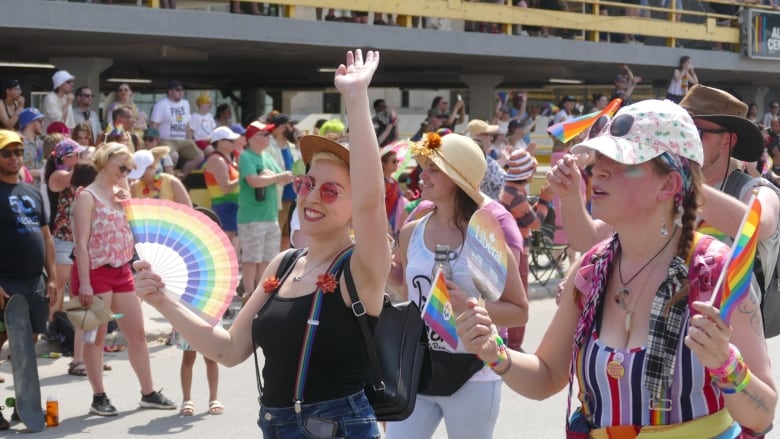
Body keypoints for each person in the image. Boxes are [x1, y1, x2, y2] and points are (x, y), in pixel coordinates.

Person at [458, 100, 777, 437]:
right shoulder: (592, 269)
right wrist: (495, 353)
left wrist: (725, 364)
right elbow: (547, 375)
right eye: (599, 160)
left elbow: (763, 413)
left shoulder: (714, 272)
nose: (599, 170)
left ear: (669, 185)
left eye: (622, 162)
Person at [135, 49, 390, 437]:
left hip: (339, 428)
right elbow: (228, 350)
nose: (311, 196)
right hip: (275, 426)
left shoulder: (361, 268)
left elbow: (373, 202)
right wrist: (163, 301)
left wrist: (355, 97)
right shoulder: (284, 265)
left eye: (331, 190)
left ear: (355, 205)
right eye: (306, 183)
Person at [385, 132, 528, 439]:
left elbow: (518, 311)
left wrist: (471, 306)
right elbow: (408, 291)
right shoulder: (411, 232)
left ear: (457, 177)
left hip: (474, 372)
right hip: (418, 367)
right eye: (423, 166)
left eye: (433, 168)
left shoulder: (485, 236)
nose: (422, 174)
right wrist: (379, 264)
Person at [71, 143, 176, 416]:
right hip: (94, 271)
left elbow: (131, 233)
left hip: (122, 270)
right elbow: (80, 244)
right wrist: (83, 282)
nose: (126, 172)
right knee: (95, 337)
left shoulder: (122, 192)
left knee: (137, 334)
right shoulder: (87, 197)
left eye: (129, 168)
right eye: (123, 167)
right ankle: (98, 396)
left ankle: (148, 392)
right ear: (105, 162)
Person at [0, 130, 58, 385]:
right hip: (5, 281)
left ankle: (23, 404)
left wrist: (53, 279)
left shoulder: (32, 192)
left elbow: (46, 237)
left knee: (29, 340)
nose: (14, 157)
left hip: (35, 281)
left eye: (18, 152)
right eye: (6, 153)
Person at [237, 122, 293, 297]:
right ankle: (248, 293)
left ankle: (261, 293)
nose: (269, 137)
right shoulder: (246, 156)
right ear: (252, 138)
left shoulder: (267, 156)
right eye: (264, 134)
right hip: (252, 216)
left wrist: (273, 177)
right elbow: (254, 181)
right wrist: (275, 177)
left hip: (270, 216)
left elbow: (285, 177)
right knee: (251, 258)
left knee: (267, 258)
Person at [149, 80, 204, 176]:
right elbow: (154, 125)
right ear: (170, 91)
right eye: (178, 90)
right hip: (166, 140)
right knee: (173, 156)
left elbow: (187, 123)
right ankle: (169, 179)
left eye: (182, 90)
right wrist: (154, 142)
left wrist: (190, 139)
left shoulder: (185, 104)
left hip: (182, 140)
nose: (181, 92)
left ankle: (182, 175)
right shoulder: (161, 105)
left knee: (199, 156)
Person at [204, 125, 241, 255]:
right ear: (220, 142)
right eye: (231, 141)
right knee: (226, 245)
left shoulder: (226, 159)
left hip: (231, 207)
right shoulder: (217, 160)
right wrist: (243, 176)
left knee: (231, 244)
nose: (234, 143)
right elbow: (225, 188)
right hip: (223, 207)